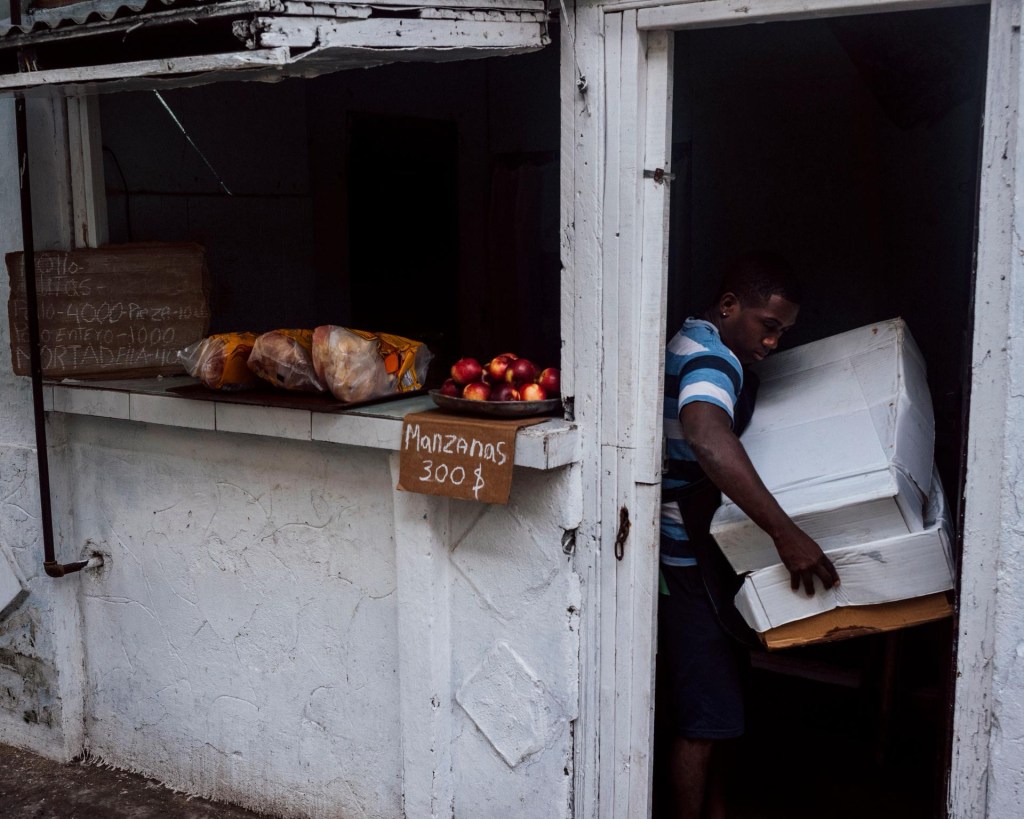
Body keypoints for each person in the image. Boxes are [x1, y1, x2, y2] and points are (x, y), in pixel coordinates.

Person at [657, 253, 841, 819]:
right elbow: (707, 436)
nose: (772, 342)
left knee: (720, 702)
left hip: (690, 556)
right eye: (768, 325)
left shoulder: (691, 337)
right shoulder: (713, 361)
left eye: (782, 332)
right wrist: (786, 534)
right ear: (729, 305)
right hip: (686, 563)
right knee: (705, 716)